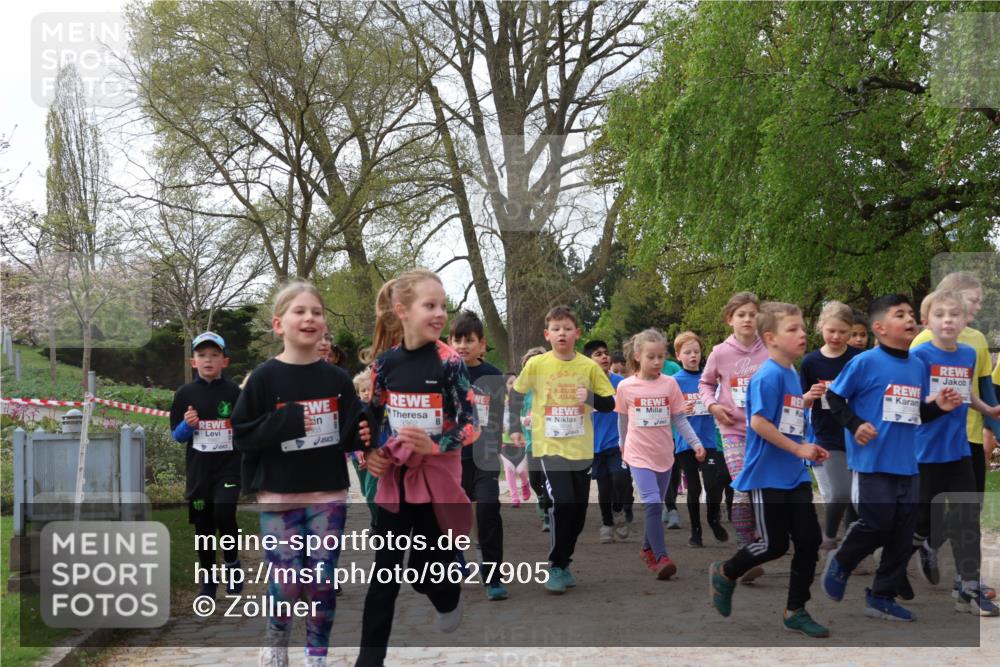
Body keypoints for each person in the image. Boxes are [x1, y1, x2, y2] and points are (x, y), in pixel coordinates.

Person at [232, 282, 370, 667]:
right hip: (279, 496)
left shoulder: (337, 380)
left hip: (328, 493)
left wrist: (364, 431)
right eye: (299, 311)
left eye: (317, 312)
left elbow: (353, 427)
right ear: (279, 324)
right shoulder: (264, 378)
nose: (309, 318)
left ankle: (316, 655)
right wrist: (288, 421)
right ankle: (276, 638)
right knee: (289, 580)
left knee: (322, 581)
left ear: (324, 324)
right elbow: (242, 434)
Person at [355, 269, 479, 667]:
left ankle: (448, 594)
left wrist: (436, 443)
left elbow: (472, 424)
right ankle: (368, 661)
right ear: (402, 311)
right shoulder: (384, 364)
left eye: (443, 305)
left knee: (424, 572)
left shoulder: (450, 362)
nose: (440, 313)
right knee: (384, 577)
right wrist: (368, 453)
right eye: (430, 306)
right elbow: (370, 419)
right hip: (395, 481)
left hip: (435, 482)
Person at [822, 294, 962, 622]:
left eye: (911, 314)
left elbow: (913, 414)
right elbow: (834, 397)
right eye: (900, 314)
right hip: (872, 461)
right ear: (880, 327)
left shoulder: (917, 365)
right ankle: (842, 560)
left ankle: (881, 597)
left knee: (902, 533)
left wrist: (937, 408)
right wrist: (855, 425)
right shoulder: (864, 362)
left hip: (907, 463)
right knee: (877, 523)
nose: (909, 318)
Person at [709, 302, 831, 638]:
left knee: (809, 540)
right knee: (774, 544)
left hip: (794, 474)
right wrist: (797, 448)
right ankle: (726, 571)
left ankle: (796, 610)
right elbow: (759, 422)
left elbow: (786, 418)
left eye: (803, 328)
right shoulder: (768, 374)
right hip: (767, 476)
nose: (803, 334)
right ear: (770, 338)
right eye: (792, 329)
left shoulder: (791, 372)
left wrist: (807, 430)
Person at [508, 306, 615, 594]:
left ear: (577, 333)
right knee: (563, 504)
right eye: (556, 329)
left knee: (578, 512)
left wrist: (589, 397)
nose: (561, 333)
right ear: (547, 334)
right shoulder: (538, 365)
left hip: (580, 450)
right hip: (548, 447)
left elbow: (610, 404)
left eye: (567, 328)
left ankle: (564, 563)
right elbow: (516, 393)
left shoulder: (589, 367)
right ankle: (554, 566)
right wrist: (516, 428)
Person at [910, 289, 1000, 615]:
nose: (948, 320)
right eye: (940, 314)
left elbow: (967, 393)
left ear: (965, 321)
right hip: (925, 453)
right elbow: (912, 407)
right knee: (920, 520)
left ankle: (968, 589)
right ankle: (889, 573)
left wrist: (988, 409)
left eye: (954, 314)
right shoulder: (919, 356)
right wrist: (937, 404)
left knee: (967, 519)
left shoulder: (968, 354)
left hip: (959, 449)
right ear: (926, 321)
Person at [616, 328, 705, 579]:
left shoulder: (670, 384)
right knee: (653, 502)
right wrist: (622, 445)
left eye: (660, 357)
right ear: (637, 357)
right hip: (638, 454)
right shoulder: (626, 387)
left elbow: (680, 419)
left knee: (655, 505)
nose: (657, 362)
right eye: (650, 357)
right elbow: (622, 421)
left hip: (665, 454)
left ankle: (647, 548)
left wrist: (695, 443)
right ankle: (661, 555)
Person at [699, 291, 769, 582]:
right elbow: (704, 384)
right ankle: (745, 548)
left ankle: (759, 540)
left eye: (753, 314)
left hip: (765, 431)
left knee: (762, 490)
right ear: (730, 319)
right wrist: (714, 406)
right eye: (741, 315)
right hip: (732, 430)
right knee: (741, 486)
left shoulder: (770, 348)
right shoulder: (720, 352)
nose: (748, 319)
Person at [169, 331, 243, 602]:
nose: (208, 360)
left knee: (224, 513)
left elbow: (246, 429)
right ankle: (208, 581)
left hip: (229, 468)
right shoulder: (184, 394)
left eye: (214, 355)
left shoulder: (234, 392)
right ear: (193, 362)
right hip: (199, 471)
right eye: (202, 355)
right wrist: (187, 426)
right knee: (203, 527)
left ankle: (233, 565)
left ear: (225, 361)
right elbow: (176, 437)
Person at [449, 310, 509, 601]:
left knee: (487, 511)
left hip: (484, 457)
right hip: (451, 461)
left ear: (482, 344)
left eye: (469, 340)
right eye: (457, 339)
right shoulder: (442, 373)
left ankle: (494, 574)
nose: (463, 345)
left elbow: (496, 416)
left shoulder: (492, 376)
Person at [799, 301, 862, 550]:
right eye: (831, 330)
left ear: (850, 331)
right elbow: (799, 402)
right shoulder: (810, 363)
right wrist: (808, 396)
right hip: (827, 434)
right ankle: (829, 534)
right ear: (821, 327)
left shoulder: (859, 359)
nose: (836, 336)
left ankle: (850, 546)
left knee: (858, 499)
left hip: (857, 433)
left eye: (843, 332)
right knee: (841, 492)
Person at [670, 331, 729, 547]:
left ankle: (713, 519)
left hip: (710, 440)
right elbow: (666, 410)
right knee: (693, 488)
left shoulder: (709, 379)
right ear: (678, 356)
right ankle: (696, 531)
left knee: (715, 483)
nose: (693, 355)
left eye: (696, 351)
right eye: (688, 352)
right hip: (686, 443)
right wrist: (678, 409)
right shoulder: (674, 381)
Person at [582, 339, 632, 543]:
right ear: (587, 361)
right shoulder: (582, 386)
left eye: (605, 353)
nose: (604, 356)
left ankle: (618, 510)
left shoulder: (620, 382)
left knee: (619, 479)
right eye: (598, 354)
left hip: (617, 442)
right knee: (603, 488)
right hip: (594, 445)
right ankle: (607, 523)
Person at [518, 346, 552, 531]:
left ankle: (547, 515)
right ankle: (541, 498)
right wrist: (524, 420)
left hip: (550, 441)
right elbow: (516, 414)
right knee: (534, 479)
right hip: (531, 441)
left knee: (547, 478)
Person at [351, 370, 379, 527]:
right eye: (363, 390)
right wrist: (358, 451)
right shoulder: (355, 410)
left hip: (376, 456)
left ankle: (378, 523)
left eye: (371, 389)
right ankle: (376, 519)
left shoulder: (381, 409)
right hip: (358, 458)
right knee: (365, 491)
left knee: (371, 494)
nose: (367, 393)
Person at [499, 372, 531, 508]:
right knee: (509, 469)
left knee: (522, 470)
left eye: (516, 382)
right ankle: (514, 498)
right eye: (510, 383)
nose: (513, 385)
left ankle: (525, 484)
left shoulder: (523, 399)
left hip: (522, 441)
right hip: (505, 442)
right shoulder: (500, 401)